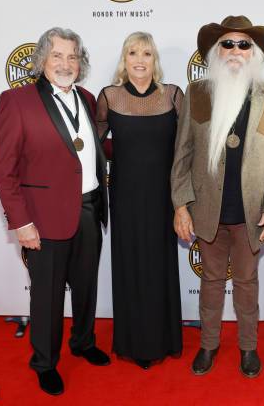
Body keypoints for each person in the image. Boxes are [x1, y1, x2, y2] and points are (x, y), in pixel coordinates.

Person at [0, 27, 110, 396]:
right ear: (42, 59)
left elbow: (90, 152)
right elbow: (4, 171)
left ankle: (83, 341)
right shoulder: (17, 101)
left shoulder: (88, 98)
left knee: (87, 285)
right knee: (47, 295)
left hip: (90, 207)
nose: (65, 63)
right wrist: (22, 223)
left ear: (81, 62)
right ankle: (44, 362)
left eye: (72, 56)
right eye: (57, 55)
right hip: (43, 219)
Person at [171, 15, 264, 378]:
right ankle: (208, 344)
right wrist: (180, 205)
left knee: (247, 285)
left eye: (244, 44)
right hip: (207, 211)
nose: (235, 50)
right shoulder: (197, 94)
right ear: (215, 51)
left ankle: (248, 348)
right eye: (228, 43)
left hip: (251, 215)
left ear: (254, 53)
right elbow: (182, 155)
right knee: (210, 282)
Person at [96, 32, 183, 369]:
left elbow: (188, 146)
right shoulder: (110, 97)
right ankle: (132, 343)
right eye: (133, 52)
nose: (140, 59)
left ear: (154, 59)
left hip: (164, 198)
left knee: (160, 266)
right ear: (124, 58)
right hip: (124, 197)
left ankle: (164, 340)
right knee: (129, 265)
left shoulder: (174, 96)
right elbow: (92, 141)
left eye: (147, 53)